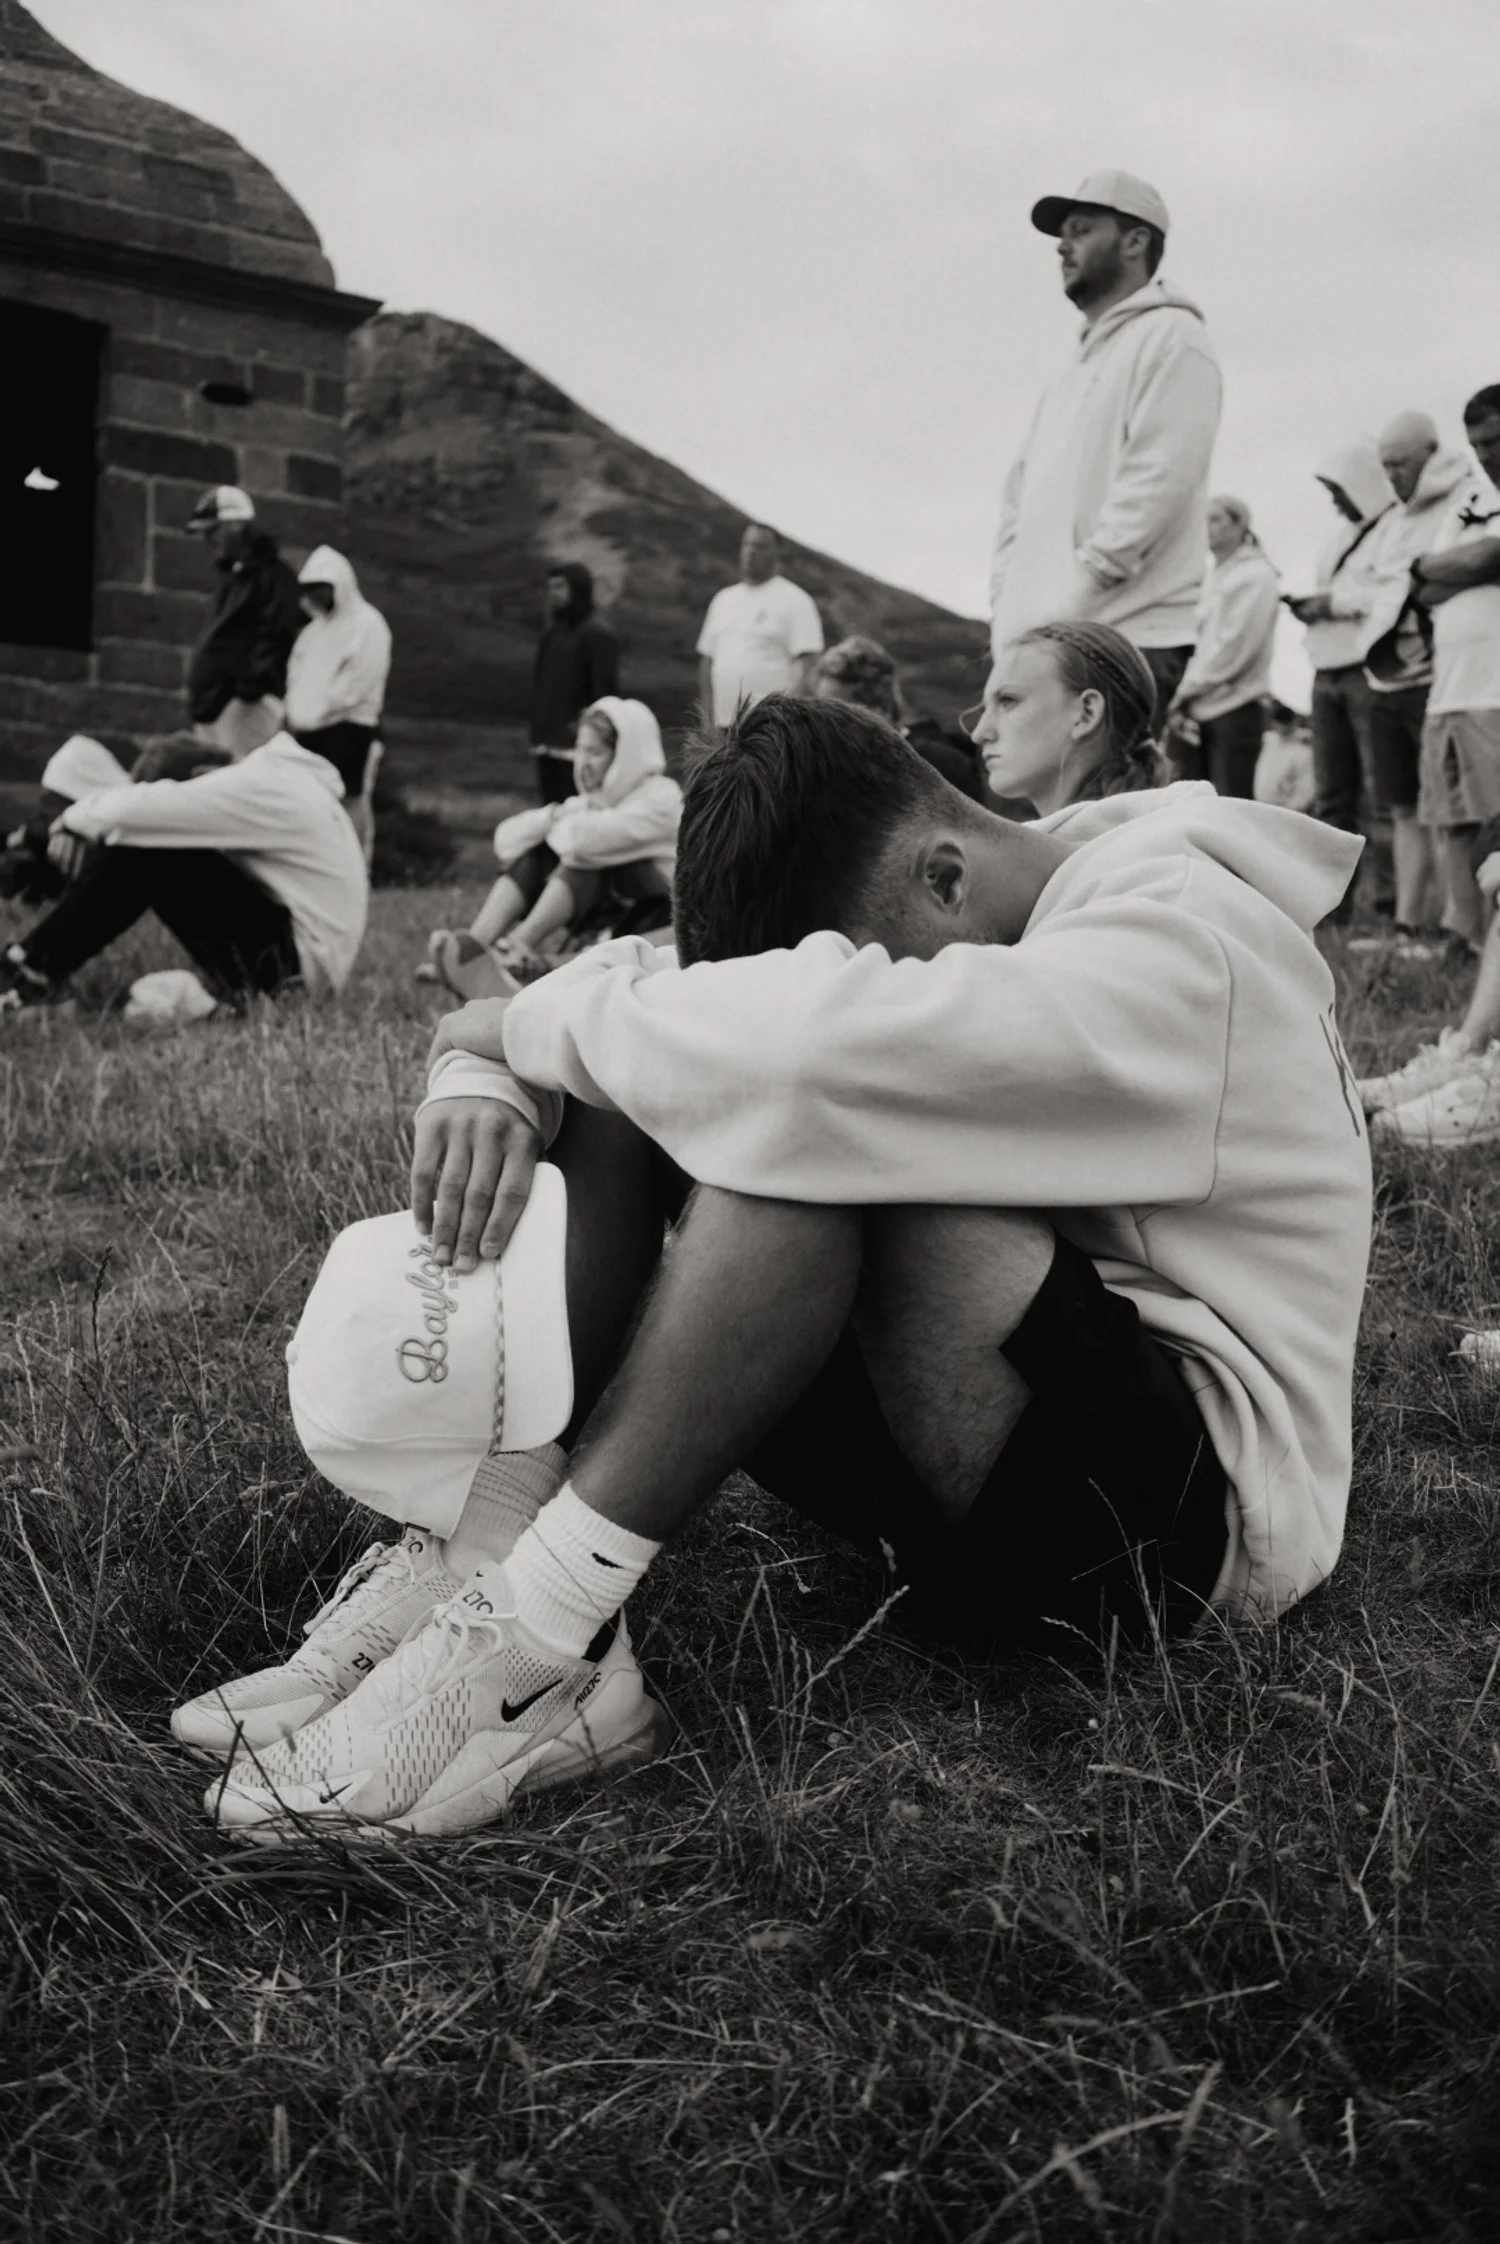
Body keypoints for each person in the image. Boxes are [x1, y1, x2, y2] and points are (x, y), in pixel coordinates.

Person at [189, 695, 1371, 1842]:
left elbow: (800, 1056)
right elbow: (685, 996)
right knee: (653, 1091)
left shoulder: (1180, 950)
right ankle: (485, 1553)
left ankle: (537, 1639)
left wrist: (495, 1026)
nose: (854, 984)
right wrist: (488, 1065)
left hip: (1187, 1538)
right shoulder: (1013, 875)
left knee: (798, 1134)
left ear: (946, 878)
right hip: (1016, 1433)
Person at [990, 170, 1222, 734]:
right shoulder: (1072, 370)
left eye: (1082, 229)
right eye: (1062, 234)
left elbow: (1158, 479)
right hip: (1047, 643)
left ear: (1136, 241)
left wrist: (1081, 588)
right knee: (1047, 822)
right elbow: (1019, 498)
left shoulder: (1174, 339)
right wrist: (1006, 610)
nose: (1062, 246)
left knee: (1109, 818)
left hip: (1124, 639)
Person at [0, 724, 368, 1016]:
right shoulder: (279, 784)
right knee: (149, 843)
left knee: (147, 848)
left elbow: (132, 813)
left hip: (294, 973)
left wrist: (68, 821)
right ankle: (33, 965)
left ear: (203, 775)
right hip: (304, 964)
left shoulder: (257, 787)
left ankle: (30, 968)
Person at [424, 698, 679, 998]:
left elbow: (581, 843)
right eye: (580, 750)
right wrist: (554, 816)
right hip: (612, 905)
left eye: (595, 752)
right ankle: (475, 946)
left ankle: (516, 946)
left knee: (580, 861)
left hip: (659, 909)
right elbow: (506, 841)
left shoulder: (662, 798)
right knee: (539, 854)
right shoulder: (590, 803)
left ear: (625, 756)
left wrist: (563, 824)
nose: (583, 762)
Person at [1352, 412, 1469, 941]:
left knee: (1445, 811)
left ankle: (1452, 928)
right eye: (1385, 466)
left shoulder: (1461, 501)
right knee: (1400, 807)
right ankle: (1406, 923)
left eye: (1400, 463)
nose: (1392, 476)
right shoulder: (1393, 520)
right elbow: (1376, 590)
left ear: (1431, 452)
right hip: (1384, 681)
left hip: (1434, 680)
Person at [1406, 385, 1500, 955]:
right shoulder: (1469, 500)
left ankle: (1496, 942)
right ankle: (1464, 936)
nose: (1487, 456)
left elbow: (1491, 557)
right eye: (1477, 445)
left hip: (1495, 691)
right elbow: (1422, 580)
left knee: (1496, 822)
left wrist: (1468, 564)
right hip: (1448, 690)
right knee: (1450, 823)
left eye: (1495, 441)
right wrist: (1458, 566)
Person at [1284, 442, 1395, 919]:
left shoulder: (1396, 529)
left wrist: (1328, 605)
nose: (1335, 501)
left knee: (1381, 792)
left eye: (1338, 490)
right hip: (1325, 671)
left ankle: (1392, 904)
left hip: (1367, 671)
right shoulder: (1338, 537)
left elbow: (1387, 595)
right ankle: (1335, 906)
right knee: (1333, 795)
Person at [968, 620, 1166, 813]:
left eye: (1007, 700)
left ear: (1087, 712)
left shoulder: (1135, 842)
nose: (979, 734)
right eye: (984, 709)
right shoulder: (1149, 830)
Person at [283, 547, 392, 863]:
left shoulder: (369, 624)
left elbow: (359, 682)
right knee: (312, 801)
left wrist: (319, 712)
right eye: (311, 588)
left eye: (322, 587)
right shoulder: (313, 632)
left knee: (350, 799)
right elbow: (297, 675)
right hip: (308, 730)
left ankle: (355, 865)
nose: (317, 595)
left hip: (350, 728)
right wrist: (296, 714)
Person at [1166, 498, 1280, 799]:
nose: (1206, 529)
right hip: (1194, 711)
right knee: (1186, 805)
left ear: (1240, 524)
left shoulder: (1256, 575)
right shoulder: (1209, 578)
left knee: (1230, 809)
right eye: (1203, 520)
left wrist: (1183, 691)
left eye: (1215, 519)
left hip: (1236, 708)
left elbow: (1234, 650)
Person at [184, 487, 305, 755]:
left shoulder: (273, 576)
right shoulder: (234, 580)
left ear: (236, 526)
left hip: (243, 709)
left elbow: (276, 633)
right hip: (216, 706)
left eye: (213, 531)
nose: (207, 539)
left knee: (242, 784)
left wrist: (248, 691)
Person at [813, 635, 986, 800]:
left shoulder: (940, 766)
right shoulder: (841, 768)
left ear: (878, 706)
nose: (827, 725)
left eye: (839, 713)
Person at [697, 524, 823, 725]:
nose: (751, 551)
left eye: (760, 546)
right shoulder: (723, 600)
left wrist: (791, 723)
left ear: (776, 553)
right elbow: (707, 663)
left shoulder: (796, 600)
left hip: (769, 728)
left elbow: (809, 665)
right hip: (723, 726)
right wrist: (707, 720)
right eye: (747, 544)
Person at [530, 564, 620, 806]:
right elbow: (540, 685)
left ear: (578, 589)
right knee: (551, 815)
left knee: (578, 816)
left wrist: (591, 736)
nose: (554, 592)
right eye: (550, 587)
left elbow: (605, 696)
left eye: (560, 586)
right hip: (546, 743)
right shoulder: (552, 636)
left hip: (579, 748)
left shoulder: (598, 635)